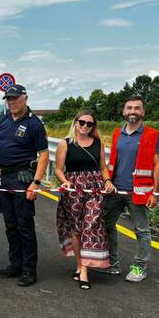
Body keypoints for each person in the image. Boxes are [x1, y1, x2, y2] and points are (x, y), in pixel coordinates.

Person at [0, 84, 50, 287]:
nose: (11, 102)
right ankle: (15, 265)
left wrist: (36, 183)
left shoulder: (34, 124)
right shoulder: (4, 120)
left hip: (23, 178)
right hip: (4, 178)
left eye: (15, 98)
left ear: (25, 98)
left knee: (24, 226)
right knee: (10, 225)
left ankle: (29, 270)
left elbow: (44, 155)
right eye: (8, 99)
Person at [99, 94, 159, 283]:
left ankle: (139, 267)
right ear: (124, 111)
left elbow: (157, 165)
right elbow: (113, 162)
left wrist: (155, 192)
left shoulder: (152, 134)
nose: (132, 111)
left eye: (136, 108)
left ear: (143, 111)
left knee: (141, 231)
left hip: (139, 191)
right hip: (115, 191)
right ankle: (113, 263)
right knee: (106, 225)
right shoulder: (117, 133)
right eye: (129, 108)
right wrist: (108, 181)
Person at [54, 110, 115, 290]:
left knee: (91, 224)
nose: (85, 126)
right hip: (73, 189)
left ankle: (84, 272)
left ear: (93, 126)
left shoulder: (98, 143)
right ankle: (80, 265)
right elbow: (58, 168)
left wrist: (108, 180)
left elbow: (103, 167)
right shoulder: (65, 144)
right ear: (75, 122)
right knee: (77, 230)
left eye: (89, 124)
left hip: (95, 188)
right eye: (82, 122)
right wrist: (65, 182)